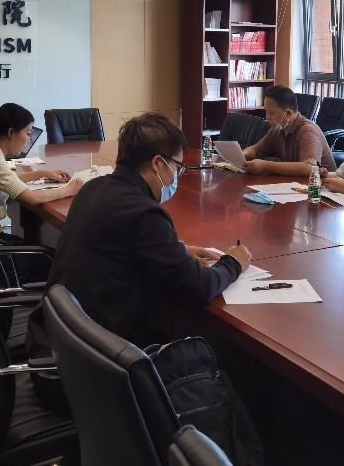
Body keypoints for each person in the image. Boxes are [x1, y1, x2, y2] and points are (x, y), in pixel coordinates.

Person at [26, 112, 251, 351]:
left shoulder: (94, 187)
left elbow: (119, 240)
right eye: (177, 166)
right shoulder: (144, 214)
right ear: (157, 164)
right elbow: (198, 287)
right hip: (97, 353)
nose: (178, 175)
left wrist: (176, 249)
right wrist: (233, 263)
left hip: (59, 335)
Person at [0, 102, 83, 242]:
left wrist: (42, 173)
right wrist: (70, 190)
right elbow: (31, 198)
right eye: (28, 133)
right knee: (47, 250)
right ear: (11, 133)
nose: (29, 140)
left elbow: (9, 179)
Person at [242, 85, 336, 175]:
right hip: (296, 183)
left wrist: (265, 166)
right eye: (266, 112)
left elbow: (309, 168)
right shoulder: (278, 129)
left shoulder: (308, 131)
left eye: (271, 113)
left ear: (287, 113)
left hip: (322, 184)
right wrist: (241, 156)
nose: (267, 117)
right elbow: (257, 150)